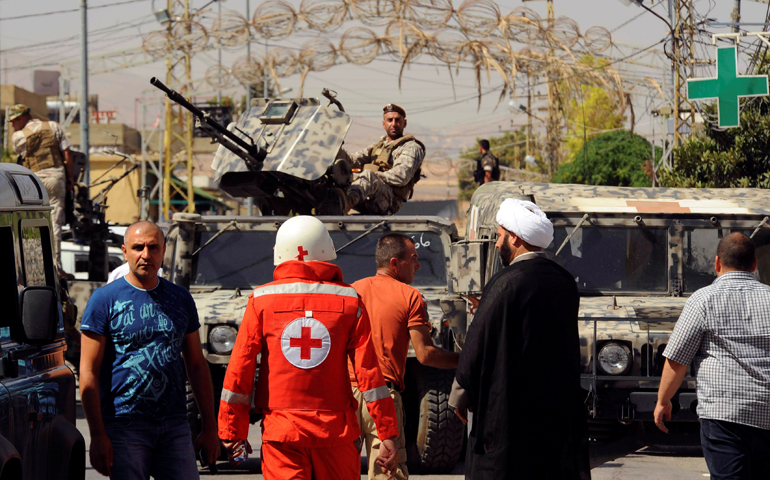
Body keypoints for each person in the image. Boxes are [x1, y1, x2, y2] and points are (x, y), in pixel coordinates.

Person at [218, 216, 400, 480]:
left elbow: (239, 370)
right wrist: (387, 432)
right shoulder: (350, 301)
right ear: (327, 250)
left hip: (282, 435)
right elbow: (370, 375)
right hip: (336, 435)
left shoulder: (261, 299)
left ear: (280, 252)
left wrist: (232, 431)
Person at [449, 199, 590, 480]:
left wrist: (460, 395)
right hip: (556, 415)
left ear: (514, 237)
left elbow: (477, 342)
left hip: (508, 411)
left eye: (500, 236)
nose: (498, 243)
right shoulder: (564, 282)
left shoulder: (506, 283)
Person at [79, 221, 220, 479]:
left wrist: (210, 427)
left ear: (164, 251)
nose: (146, 254)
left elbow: (197, 366)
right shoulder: (104, 300)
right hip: (124, 426)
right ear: (124, 251)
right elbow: (88, 372)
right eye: (138, 247)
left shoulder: (180, 298)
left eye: (153, 247)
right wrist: (97, 435)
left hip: (175, 424)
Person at [654, 232, 770, 479]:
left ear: (717, 263)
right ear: (754, 264)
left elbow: (678, 358)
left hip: (724, 415)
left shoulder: (702, 300)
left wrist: (663, 401)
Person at [350, 234, 460, 480]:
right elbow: (425, 354)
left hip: (346, 396)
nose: (418, 266)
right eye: (414, 259)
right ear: (394, 263)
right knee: (388, 473)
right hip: (382, 397)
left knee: (339, 470)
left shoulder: (352, 290)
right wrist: (464, 361)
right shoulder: (410, 296)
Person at [9, 104, 74, 275]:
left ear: (21, 118)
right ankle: (55, 266)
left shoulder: (18, 137)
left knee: (32, 221)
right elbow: (67, 152)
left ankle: (33, 267)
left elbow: (20, 155)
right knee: (55, 223)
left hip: (33, 182)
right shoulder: (53, 126)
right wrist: (70, 179)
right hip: (55, 178)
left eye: (13, 121)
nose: (12, 126)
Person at [343, 104, 425, 215]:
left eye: (397, 120)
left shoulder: (411, 147)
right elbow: (353, 161)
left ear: (404, 123)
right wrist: (336, 149)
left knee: (369, 176)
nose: (394, 124)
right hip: (370, 197)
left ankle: (343, 205)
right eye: (390, 120)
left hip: (390, 201)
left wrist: (375, 176)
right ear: (383, 124)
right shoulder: (379, 146)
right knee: (339, 179)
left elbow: (401, 176)